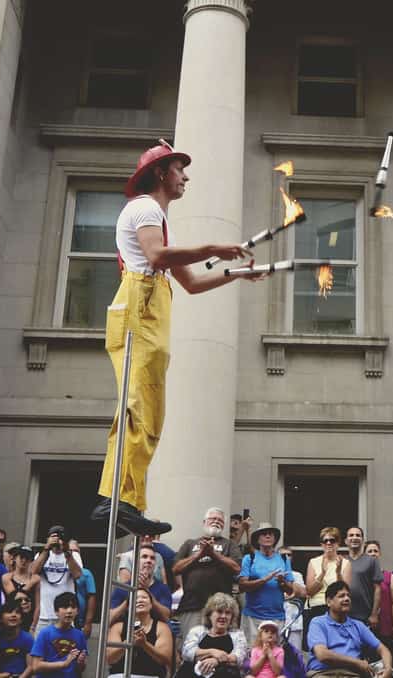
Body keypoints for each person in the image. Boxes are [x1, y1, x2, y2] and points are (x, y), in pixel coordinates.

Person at [89, 140, 260, 536]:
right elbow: (157, 257)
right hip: (139, 306)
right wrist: (214, 247)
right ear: (161, 173)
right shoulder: (145, 207)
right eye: (179, 169)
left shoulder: (158, 218)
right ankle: (113, 499)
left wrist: (238, 273)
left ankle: (126, 500)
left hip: (150, 311)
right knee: (136, 407)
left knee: (149, 413)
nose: (185, 176)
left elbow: (194, 283)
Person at [173, 507, 243, 641]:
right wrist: (199, 554)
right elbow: (176, 568)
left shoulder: (229, 544)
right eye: (213, 519)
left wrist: (214, 554)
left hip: (220, 608)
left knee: (217, 645)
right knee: (189, 646)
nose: (216, 521)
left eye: (220, 521)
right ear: (204, 522)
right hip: (191, 604)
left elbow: (237, 568)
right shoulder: (190, 543)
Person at [305, 581, 393, 678]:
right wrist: (356, 662)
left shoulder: (358, 625)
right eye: (341, 596)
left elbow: (382, 649)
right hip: (323, 673)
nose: (347, 598)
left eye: (348, 596)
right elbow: (322, 655)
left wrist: (388, 668)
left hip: (352, 674)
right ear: (329, 602)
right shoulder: (318, 623)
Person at [238, 523, 301, 643]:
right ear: (257, 539)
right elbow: (242, 586)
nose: (268, 536)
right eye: (264, 534)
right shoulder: (249, 558)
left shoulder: (283, 559)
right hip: (252, 616)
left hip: (276, 617)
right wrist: (264, 580)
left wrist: (282, 582)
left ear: (275, 539)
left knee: (275, 656)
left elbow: (290, 590)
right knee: (252, 656)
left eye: (270, 534)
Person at [105, 589, 172, 678]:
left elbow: (165, 659)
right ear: (128, 607)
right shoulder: (118, 627)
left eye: (144, 597)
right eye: (135, 598)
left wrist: (145, 644)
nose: (140, 600)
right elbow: (110, 658)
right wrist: (127, 643)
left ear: (151, 605)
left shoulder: (162, 627)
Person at [179, 593, 247, 678]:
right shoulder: (197, 631)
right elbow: (187, 652)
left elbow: (238, 657)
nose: (223, 616)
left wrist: (216, 660)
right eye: (219, 611)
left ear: (232, 617)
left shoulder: (238, 635)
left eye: (228, 613)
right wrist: (213, 652)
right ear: (209, 615)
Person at [30, 527, 80, 634]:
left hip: (65, 613)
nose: (57, 541)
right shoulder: (41, 555)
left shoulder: (73, 555)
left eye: (60, 537)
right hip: (44, 614)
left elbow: (77, 575)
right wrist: (46, 549)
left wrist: (66, 552)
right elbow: (33, 572)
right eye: (53, 537)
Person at [109, 544, 172, 624]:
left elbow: (166, 617)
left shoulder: (163, 588)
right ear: (135, 561)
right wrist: (131, 597)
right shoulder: (122, 588)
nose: (149, 560)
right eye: (144, 557)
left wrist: (146, 591)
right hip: (126, 632)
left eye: (152, 558)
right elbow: (110, 619)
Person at [304, 528, 345, 651]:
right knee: (315, 647)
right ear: (321, 544)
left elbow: (344, 591)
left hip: (335, 609)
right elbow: (309, 591)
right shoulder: (314, 562)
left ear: (338, 543)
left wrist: (338, 572)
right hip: (315, 609)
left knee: (334, 646)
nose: (328, 543)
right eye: (325, 540)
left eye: (332, 540)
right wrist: (322, 573)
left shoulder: (345, 563)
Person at [29, 592, 86, 678]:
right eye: (65, 607)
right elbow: (36, 666)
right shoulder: (45, 633)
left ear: (77, 611)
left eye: (73, 607)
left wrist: (80, 662)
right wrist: (63, 664)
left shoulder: (79, 635)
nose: (69, 611)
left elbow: (80, 669)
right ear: (56, 611)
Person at [364, 541, 393, 663]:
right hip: (367, 623)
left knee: (387, 660)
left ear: (379, 553)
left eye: (375, 551)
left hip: (386, 624)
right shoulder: (362, 576)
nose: (373, 554)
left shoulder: (389, 576)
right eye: (369, 551)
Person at [341, 528, 382, 629]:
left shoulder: (371, 561)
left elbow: (377, 589)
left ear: (362, 540)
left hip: (364, 616)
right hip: (343, 614)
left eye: (358, 535)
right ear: (346, 541)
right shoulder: (341, 560)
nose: (354, 538)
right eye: (351, 535)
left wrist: (374, 614)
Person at [0, 599, 34, 678]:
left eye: (17, 612)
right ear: (0, 618)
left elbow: (30, 667)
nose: (14, 615)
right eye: (9, 612)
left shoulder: (27, 638)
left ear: (21, 619)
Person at [64, 542, 96, 640]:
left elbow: (92, 597)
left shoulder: (86, 573)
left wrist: (88, 623)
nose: (73, 553)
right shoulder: (61, 573)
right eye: (71, 550)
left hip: (78, 621)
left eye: (76, 551)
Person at [1, 547, 37, 620]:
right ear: (15, 558)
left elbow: (37, 606)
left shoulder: (35, 578)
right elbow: (15, 597)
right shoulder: (7, 577)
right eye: (21, 557)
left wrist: (33, 625)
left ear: (31, 561)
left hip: (29, 618)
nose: (24, 561)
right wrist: (30, 584)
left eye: (27, 558)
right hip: (12, 617)